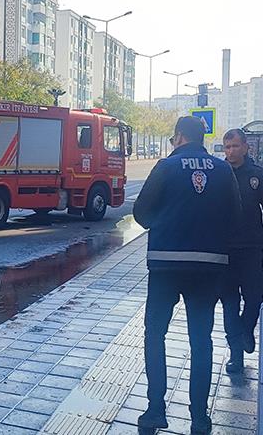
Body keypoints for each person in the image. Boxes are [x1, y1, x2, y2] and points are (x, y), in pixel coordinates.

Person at [133, 116, 242, 434]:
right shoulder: (223, 170)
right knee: (201, 341)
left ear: (179, 137)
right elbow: (235, 216)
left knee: (155, 335)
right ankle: (199, 417)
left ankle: (155, 410)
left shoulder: (165, 167)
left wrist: (166, 223)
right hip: (208, 268)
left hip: (166, 266)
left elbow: (141, 213)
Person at [220, 128, 263, 373]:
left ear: (246, 147)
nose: (231, 151)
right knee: (229, 303)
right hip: (225, 250)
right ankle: (236, 354)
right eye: (227, 147)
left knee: (255, 297)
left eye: (235, 146)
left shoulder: (257, 175)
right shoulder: (219, 174)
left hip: (252, 248)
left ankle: (247, 330)